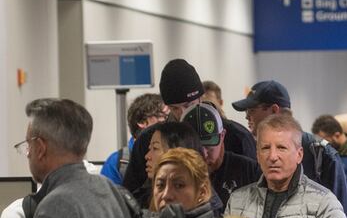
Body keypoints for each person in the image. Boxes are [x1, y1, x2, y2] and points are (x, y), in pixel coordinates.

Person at [122, 59, 256, 194]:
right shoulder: (149, 140)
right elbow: (131, 197)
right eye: (175, 108)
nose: (182, 114)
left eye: (188, 105)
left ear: (200, 98)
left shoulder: (237, 137)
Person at [231, 80, 347, 218]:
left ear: (274, 110)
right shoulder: (250, 149)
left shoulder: (320, 153)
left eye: (251, 110)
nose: (246, 116)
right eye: (265, 148)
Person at [182, 102, 261, 208]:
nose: (204, 154)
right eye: (196, 149)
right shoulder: (174, 176)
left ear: (222, 136)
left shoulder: (249, 171)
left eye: (209, 147)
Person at [100, 93, 167, 185]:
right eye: (163, 117)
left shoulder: (172, 152)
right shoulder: (117, 163)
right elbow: (108, 198)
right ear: (142, 121)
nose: (167, 124)